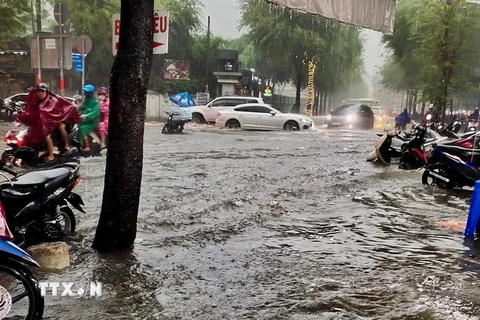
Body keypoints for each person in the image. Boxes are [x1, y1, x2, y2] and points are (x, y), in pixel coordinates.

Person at [17, 83, 79, 162]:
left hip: (58, 119)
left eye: (42, 92)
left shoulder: (53, 100)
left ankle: (53, 154)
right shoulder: (36, 101)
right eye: (38, 92)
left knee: (47, 135)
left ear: (46, 92)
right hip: (44, 122)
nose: (40, 94)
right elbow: (31, 110)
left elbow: (49, 112)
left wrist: (41, 113)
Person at [77, 84, 100, 152]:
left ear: (91, 93)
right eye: (85, 92)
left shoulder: (95, 102)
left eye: (87, 92)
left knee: (83, 128)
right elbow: (80, 109)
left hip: (93, 123)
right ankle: (79, 144)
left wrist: (86, 115)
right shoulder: (85, 101)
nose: (85, 93)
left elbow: (94, 113)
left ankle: (87, 146)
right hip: (84, 121)